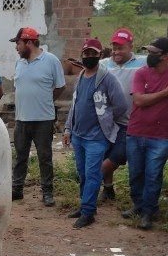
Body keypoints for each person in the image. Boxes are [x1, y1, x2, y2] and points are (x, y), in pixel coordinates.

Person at [63, 38, 130, 228]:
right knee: (83, 174)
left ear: (100, 56)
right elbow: (74, 106)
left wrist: (107, 123)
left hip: (97, 138)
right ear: (82, 55)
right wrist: (68, 128)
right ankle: (85, 206)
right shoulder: (81, 76)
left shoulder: (107, 79)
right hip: (78, 136)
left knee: (93, 174)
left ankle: (88, 212)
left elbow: (121, 106)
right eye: (87, 54)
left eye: (94, 54)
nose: (90, 57)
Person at [11, 26, 66, 206]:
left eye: (18, 43)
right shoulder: (19, 63)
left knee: (45, 157)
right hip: (21, 118)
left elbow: (60, 87)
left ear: (28, 42)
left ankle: (47, 192)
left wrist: (45, 101)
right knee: (20, 157)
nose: (16, 47)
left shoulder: (51, 61)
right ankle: (17, 189)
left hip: (43, 119)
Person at [124, 37, 168, 230]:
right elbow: (140, 101)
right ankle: (138, 205)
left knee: (153, 175)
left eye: (153, 53)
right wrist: (166, 93)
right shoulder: (141, 73)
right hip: (136, 131)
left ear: (165, 56)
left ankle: (149, 211)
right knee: (135, 173)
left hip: (161, 135)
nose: (149, 56)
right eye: (148, 52)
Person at [98, 28, 145, 201]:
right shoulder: (104, 64)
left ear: (131, 46)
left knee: (116, 156)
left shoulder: (143, 62)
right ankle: (108, 189)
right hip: (108, 121)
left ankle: (93, 176)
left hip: (130, 122)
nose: (117, 51)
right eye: (115, 47)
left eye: (121, 47)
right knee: (107, 154)